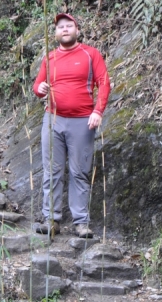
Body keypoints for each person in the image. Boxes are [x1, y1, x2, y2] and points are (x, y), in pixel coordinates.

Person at [32, 13, 110, 238]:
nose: (64, 29)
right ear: (55, 34)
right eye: (60, 27)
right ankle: (51, 219)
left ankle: (81, 222)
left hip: (82, 120)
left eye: (69, 26)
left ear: (77, 30)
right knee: (52, 171)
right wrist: (41, 89)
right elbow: (37, 85)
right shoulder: (50, 57)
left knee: (79, 171)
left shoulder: (90, 54)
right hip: (53, 119)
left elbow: (104, 83)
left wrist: (98, 111)